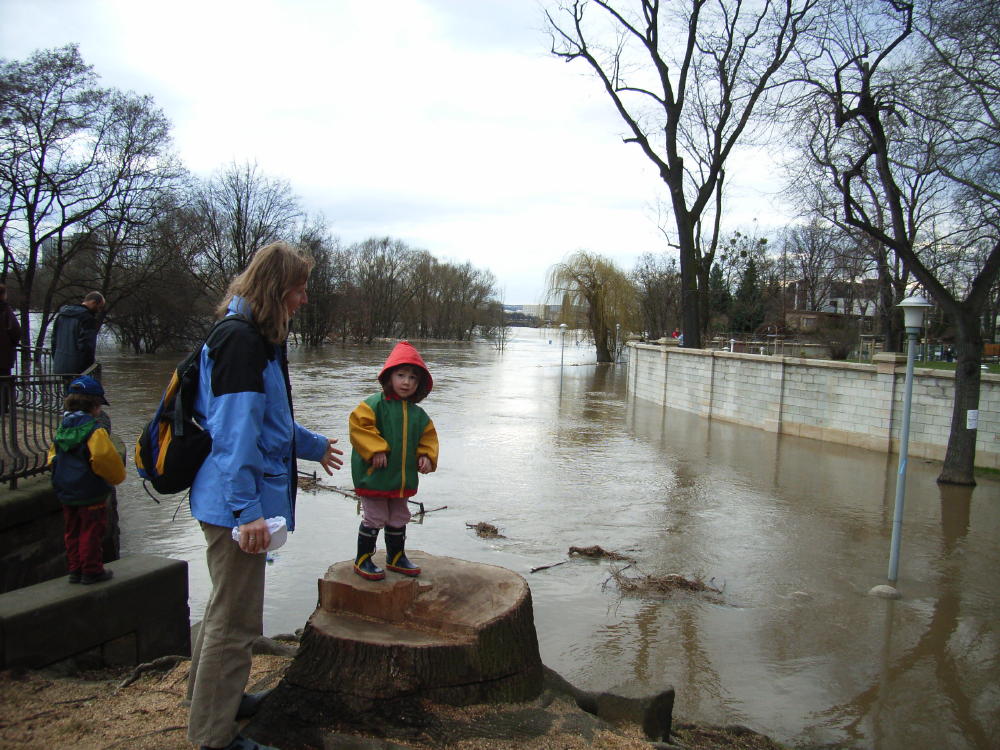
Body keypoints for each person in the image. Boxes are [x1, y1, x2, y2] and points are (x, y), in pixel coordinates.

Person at [185, 242, 344, 750]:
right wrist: (248, 512)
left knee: (222, 614)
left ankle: (217, 703)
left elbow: (270, 422)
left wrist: (315, 447)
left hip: (232, 500)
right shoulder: (242, 343)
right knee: (235, 625)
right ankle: (213, 737)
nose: (303, 298)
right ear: (278, 289)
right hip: (234, 505)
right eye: (299, 288)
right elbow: (233, 436)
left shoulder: (255, 338)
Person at [349, 340, 439, 580]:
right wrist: (375, 448)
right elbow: (359, 426)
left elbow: (428, 438)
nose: (406, 382)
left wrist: (427, 457)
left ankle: (396, 556)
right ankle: (363, 558)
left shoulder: (418, 415)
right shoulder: (373, 404)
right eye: (401, 375)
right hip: (376, 476)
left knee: (399, 516)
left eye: (413, 378)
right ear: (389, 376)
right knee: (375, 517)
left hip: (401, 479)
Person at [47, 375, 125, 585]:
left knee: (72, 530)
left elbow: (53, 457)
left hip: (67, 492)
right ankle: (92, 570)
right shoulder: (94, 430)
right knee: (91, 531)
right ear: (94, 406)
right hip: (90, 492)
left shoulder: (63, 428)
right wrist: (117, 477)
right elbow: (103, 458)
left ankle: (75, 569)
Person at [51, 291, 105, 375]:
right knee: (78, 387)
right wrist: (88, 368)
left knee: (66, 387)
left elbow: (54, 341)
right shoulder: (87, 319)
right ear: (93, 302)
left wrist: (57, 360)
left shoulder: (61, 315)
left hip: (59, 365)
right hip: (77, 369)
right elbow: (86, 346)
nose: (98, 310)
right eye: (99, 307)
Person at [0, 284, 21, 413]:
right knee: (4, 381)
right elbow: (15, 331)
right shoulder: (5, 310)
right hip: (3, 355)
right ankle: (3, 407)